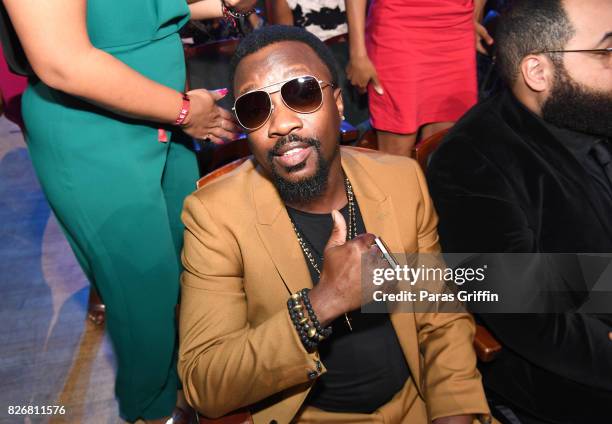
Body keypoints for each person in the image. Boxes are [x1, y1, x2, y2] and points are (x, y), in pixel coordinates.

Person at [179, 25, 490, 423]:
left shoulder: (402, 179)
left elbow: (440, 318)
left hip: (417, 404)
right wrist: (321, 304)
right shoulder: (214, 217)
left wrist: (455, 412)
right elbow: (205, 384)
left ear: (339, 105)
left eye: (302, 93)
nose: (282, 124)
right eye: (256, 109)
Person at [2, 0, 255, 422]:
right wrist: (184, 111)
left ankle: (188, 385)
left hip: (164, 119)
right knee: (144, 297)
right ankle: (151, 411)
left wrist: (225, 5)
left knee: (191, 266)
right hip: (94, 130)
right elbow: (62, 61)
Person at [426, 0, 612, 422]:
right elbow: (533, 320)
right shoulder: (473, 161)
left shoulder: (592, 112)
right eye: (606, 51)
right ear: (538, 72)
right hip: (573, 381)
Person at [345, 0, 493, 156]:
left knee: (444, 149)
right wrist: (358, 55)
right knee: (396, 154)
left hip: (456, 28)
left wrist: (473, 17)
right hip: (398, 25)